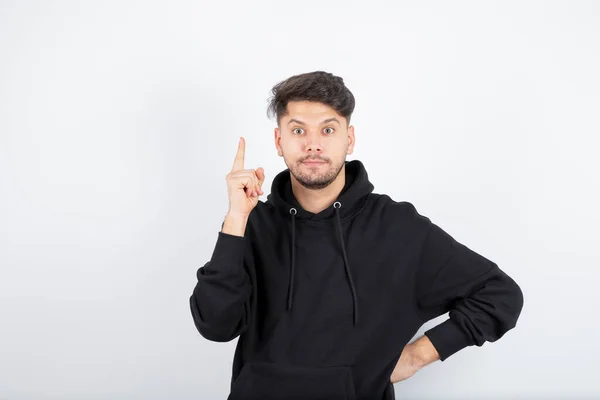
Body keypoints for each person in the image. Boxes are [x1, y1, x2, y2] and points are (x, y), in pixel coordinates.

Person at [189, 71, 524, 400]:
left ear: (349, 139)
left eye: (328, 129)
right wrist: (235, 217)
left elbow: (499, 294)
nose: (313, 144)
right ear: (279, 141)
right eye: (298, 130)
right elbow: (215, 326)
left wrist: (418, 356)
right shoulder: (250, 222)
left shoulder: (396, 227)